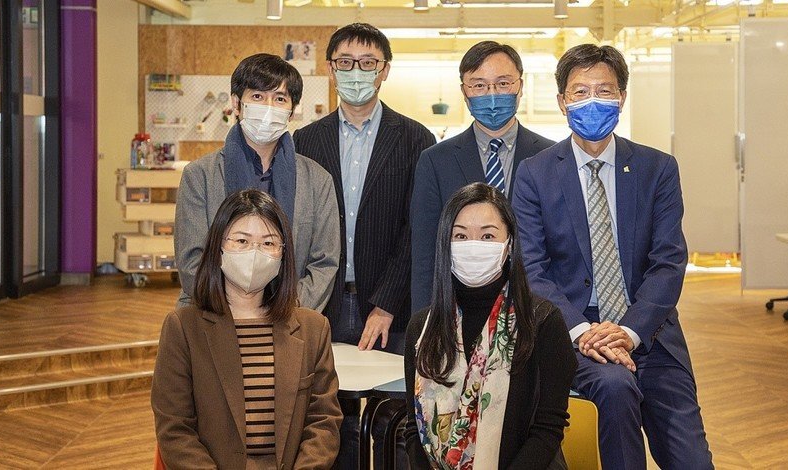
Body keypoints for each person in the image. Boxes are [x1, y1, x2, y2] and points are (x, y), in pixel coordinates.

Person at [511, 44, 713, 469]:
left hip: (651, 335)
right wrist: (584, 332)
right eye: (580, 92)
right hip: (580, 337)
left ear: (622, 97)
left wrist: (629, 332)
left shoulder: (657, 168)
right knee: (616, 388)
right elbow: (533, 268)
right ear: (562, 101)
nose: (592, 101)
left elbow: (668, 261)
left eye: (604, 90)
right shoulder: (534, 173)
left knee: (692, 459)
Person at [293, 23, 436, 470]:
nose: (357, 72)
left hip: (389, 308)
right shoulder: (304, 141)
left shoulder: (416, 140)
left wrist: (387, 303)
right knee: (330, 417)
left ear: (385, 70)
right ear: (331, 70)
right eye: (346, 63)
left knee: (394, 415)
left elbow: (418, 230)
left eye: (368, 63)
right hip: (323, 301)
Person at [152, 189, 341, 469]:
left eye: (268, 243)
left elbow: (323, 421)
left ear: (282, 254)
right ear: (218, 249)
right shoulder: (183, 328)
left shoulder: (313, 328)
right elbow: (175, 429)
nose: (255, 253)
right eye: (241, 241)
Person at [404, 182, 576, 470]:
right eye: (460, 236)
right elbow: (414, 430)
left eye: (487, 236)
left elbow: (547, 430)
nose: (473, 246)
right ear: (446, 245)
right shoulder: (422, 330)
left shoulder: (544, 322)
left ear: (509, 245)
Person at [175, 53, 340, 314]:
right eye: (258, 97)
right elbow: (190, 262)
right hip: (212, 315)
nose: (269, 107)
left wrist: (282, 309)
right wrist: (240, 310)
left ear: (292, 110)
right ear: (236, 104)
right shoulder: (200, 176)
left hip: (290, 316)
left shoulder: (317, 180)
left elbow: (325, 262)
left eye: (280, 99)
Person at [410, 41, 556, 313]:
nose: (491, 94)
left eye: (503, 84)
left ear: (520, 86)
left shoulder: (551, 157)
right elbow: (424, 255)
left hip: (533, 306)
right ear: (465, 92)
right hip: (459, 308)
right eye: (479, 85)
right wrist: (425, 323)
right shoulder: (435, 160)